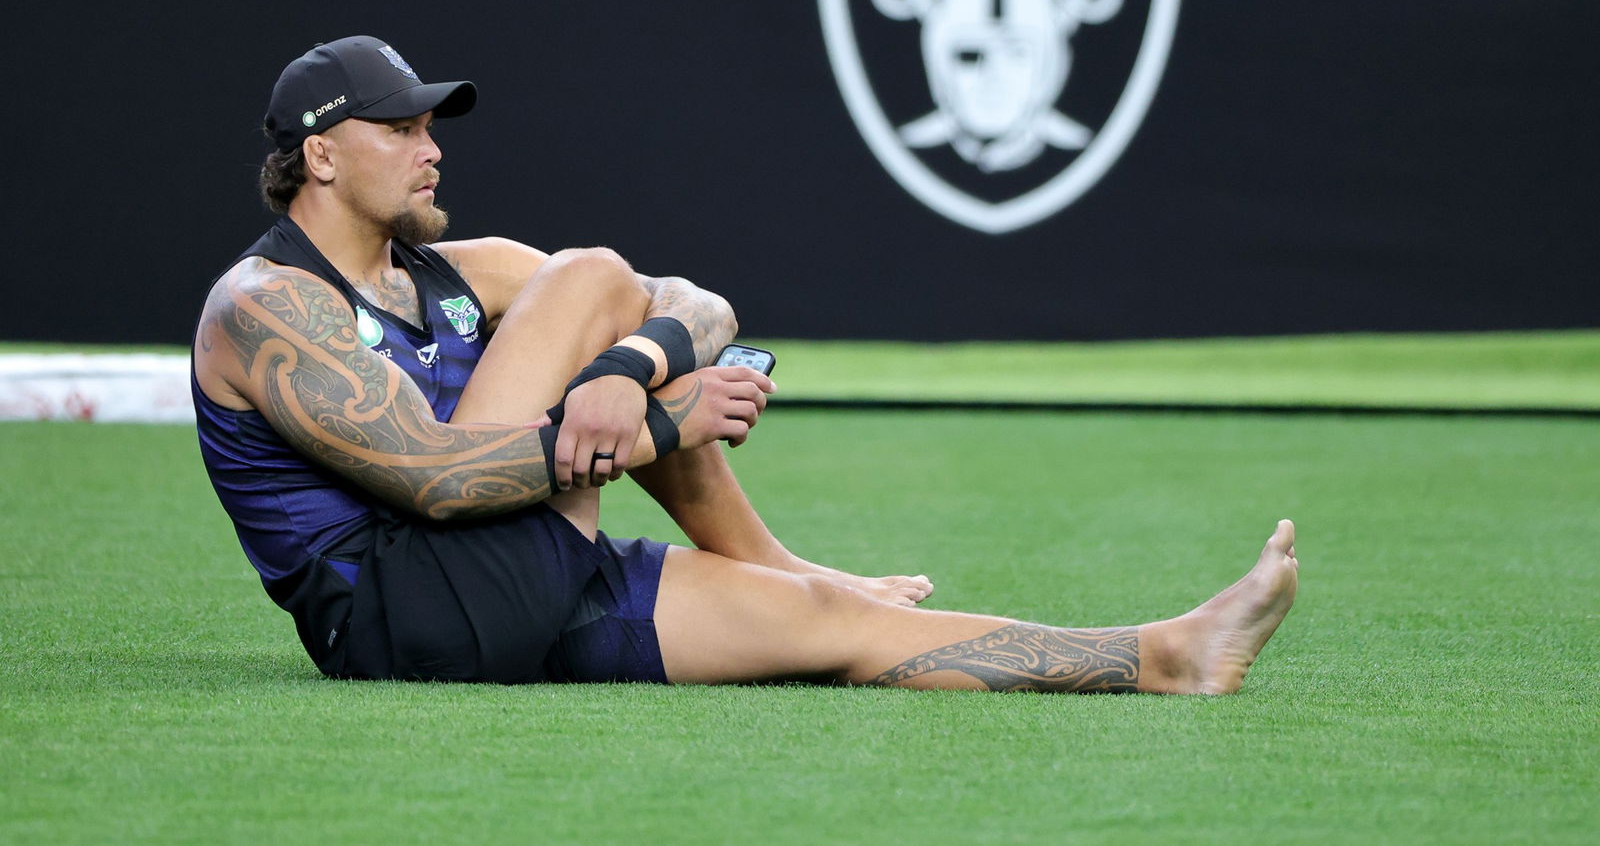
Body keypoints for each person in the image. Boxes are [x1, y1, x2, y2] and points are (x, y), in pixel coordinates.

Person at [192, 35, 1298, 691]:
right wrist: (661, 422)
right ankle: (774, 554)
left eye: (434, 123)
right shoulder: (264, 304)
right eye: (400, 127)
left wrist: (630, 371)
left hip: (511, 570)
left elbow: (699, 305)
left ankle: (1165, 656)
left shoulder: (455, 267)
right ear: (321, 156)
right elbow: (433, 482)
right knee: (586, 276)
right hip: (406, 611)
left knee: (828, 626)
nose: (432, 145)